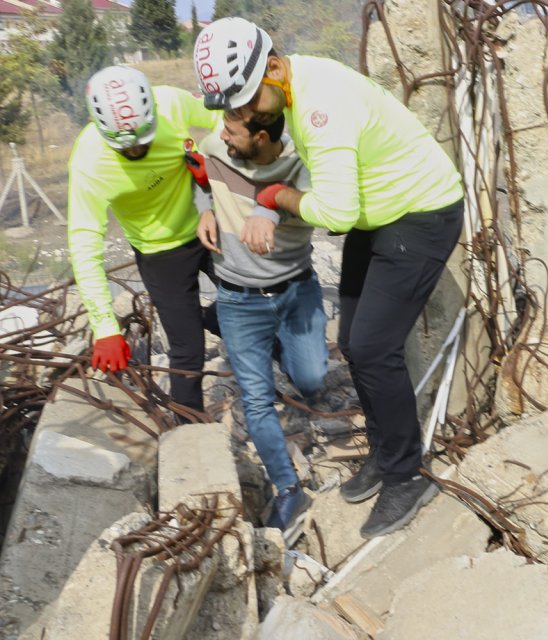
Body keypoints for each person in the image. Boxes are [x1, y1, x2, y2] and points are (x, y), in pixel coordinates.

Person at [194, 17, 465, 538]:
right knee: (357, 341)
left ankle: (407, 476)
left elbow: (335, 215)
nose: (243, 115)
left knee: (372, 346)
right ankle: (387, 457)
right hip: (380, 214)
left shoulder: (319, 110)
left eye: (247, 102)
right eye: (233, 108)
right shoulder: (294, 84)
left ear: (273, 67)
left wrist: (275, 199)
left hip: (420, 214)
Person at [190, 108, 326, 542]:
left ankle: (285, 349)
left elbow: (323, 213)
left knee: (311, 379)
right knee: (256, 398)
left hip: (296, 289)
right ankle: (288, 488)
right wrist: (205, 208)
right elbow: (205, 174)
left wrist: (270, 211)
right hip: (237, 298)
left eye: (232, 132)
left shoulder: (304, 165)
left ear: (262, 137)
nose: (221, 137)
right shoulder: (218, 147)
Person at [68, 65, 221, 416]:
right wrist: (105, 327)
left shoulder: (172, 103)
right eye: (128, 148)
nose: (137, 152)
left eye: (144, 142)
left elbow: (224, 120)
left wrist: (214, 167)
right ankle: (190, 435)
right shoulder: (89, 163)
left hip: (207, 222)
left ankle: (278, 354)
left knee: (253, 295)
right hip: (159, 252)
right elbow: (84, 246)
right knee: (188, 351)